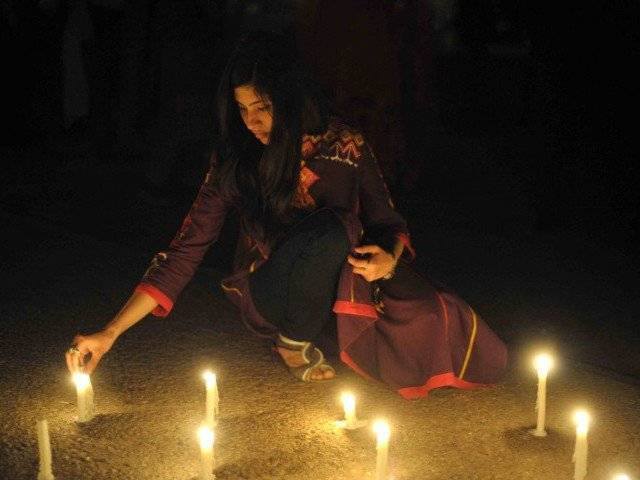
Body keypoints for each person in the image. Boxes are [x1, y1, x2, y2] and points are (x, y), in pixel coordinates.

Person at [66, 31, 507, 396]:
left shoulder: (345, 145)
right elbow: (185, 251)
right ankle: (292, 344)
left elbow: (387, 221)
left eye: (264, 108)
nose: (253, 122)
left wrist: (389, 259)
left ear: (292, 99)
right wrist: (109, 333)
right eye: (242, 110)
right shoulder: (234, 160)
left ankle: (319, 330)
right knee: (335, 227)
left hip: (337, 291)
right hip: (271, 293)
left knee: (436, 314)